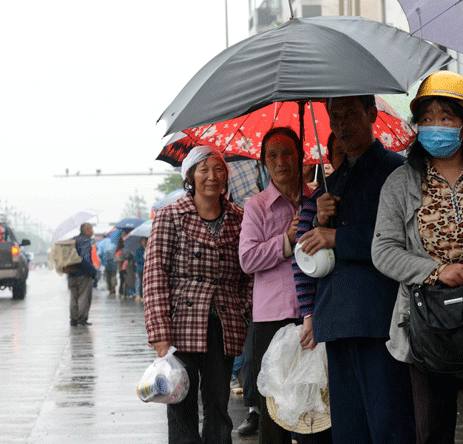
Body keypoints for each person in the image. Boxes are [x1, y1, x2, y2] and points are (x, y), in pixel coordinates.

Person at [371, 71, 463, 444]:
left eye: (446, 118)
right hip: (426, 323)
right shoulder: (401, 182)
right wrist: (436, 271)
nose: (435, 127)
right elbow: (383, 250)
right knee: (432, 432)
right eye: (427, 119)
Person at [292, 94, 415, 444]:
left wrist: (337, 236)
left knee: (389, 424)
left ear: (372, 113)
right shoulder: (334, 180)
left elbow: (401, 240)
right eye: (334, 117)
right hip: (337, 319)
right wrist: (320, 217)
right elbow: (313, 248)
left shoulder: (396, 170)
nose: (342, 125)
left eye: (350, 115)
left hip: (378, 319)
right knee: (349, 431)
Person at [143, 145, 253, 444]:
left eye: (218, 169)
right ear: (190, 176)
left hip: (225, 323)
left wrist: (242, 308)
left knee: (219, 405)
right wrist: (159, 331)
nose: (212, 176)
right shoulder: (170, 216)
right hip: (181, 325)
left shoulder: (239, 217)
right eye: (204, 169)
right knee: (180, 403)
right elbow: (154, 275)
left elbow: (249, 273)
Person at [240, 127, 330, 444]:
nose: (281, 161)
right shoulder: (257, 206)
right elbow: (247, 259)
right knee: (275, 409)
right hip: (271, 318)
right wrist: (286, 240)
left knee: (317, 408)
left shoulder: (320, 199)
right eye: (273, 155)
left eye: (288, 152)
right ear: (265, 162)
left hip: (314, 313)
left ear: (301, 157)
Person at [68, 223, 97, 326]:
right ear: (87, 230)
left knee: (73, 296)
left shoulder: (73, 240)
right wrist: (93, 271)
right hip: (83, 274)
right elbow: (85, 259)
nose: (92, 231)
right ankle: (82, 319)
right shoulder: (85, 241)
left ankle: (73, 319)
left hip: (71, 273)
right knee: (84, 296)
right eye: (91, 229)